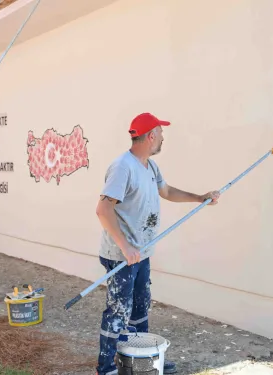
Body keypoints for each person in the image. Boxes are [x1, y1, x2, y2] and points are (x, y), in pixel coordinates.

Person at [95, 112, 220, 375]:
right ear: (151, 135)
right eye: (161, 133)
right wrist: (126, 247)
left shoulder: (150, 166)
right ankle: (105, 368)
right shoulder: (123, 167)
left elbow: (166, 191)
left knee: (139, 307)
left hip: (140, 253)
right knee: (119, 311)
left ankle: (142, 357)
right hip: (121, 255)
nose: (163, 137)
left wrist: (200, 198)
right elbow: (103, 210)